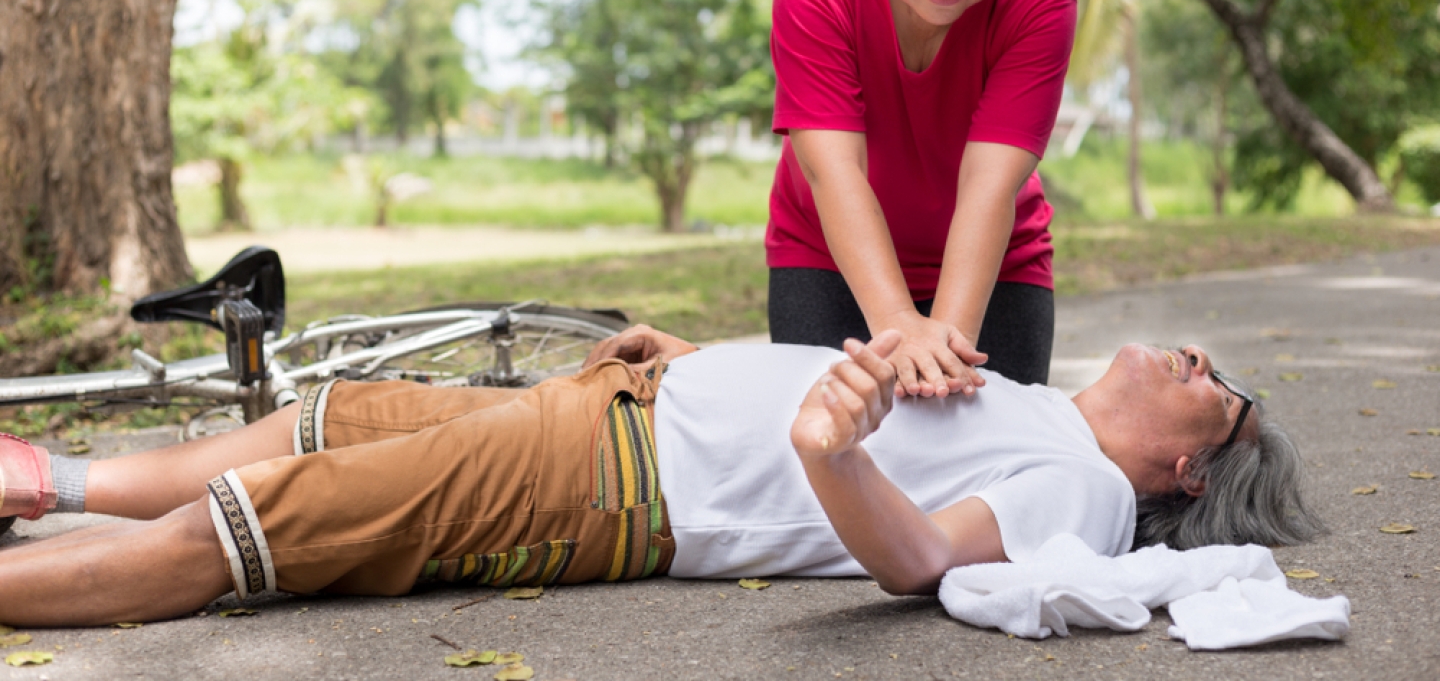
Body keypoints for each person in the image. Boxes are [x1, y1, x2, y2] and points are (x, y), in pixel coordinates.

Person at [0, 324, 1320, 628]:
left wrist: (823, 453)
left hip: (613, 482)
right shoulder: (1033, 400)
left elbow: (922, 559)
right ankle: (47, 481)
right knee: (330, 420)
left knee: (273, 523)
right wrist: (711, 358)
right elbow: (832, 381)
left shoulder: (1084, 490)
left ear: (1191, 470)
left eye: (1217, 384)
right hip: (627, 402)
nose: (1195, 358)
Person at [766, 0, 1077, 395]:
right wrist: (899, 327)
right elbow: (835, 174)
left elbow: (989, 188)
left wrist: (943, 351)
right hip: (826, 257)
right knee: (829, 464)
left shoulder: (1041, 2)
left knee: (983, 454)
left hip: (997, 264)